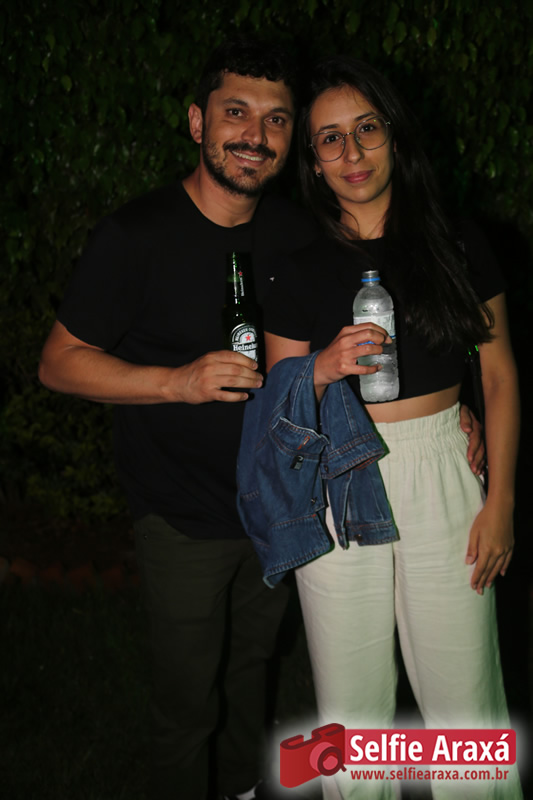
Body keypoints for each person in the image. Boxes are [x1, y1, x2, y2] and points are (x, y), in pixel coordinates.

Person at [38, 37, 319, 800]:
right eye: (236, 113)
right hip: (182, 513)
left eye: (275, 119)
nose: (254, 135)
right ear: (197, 122)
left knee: (252, 675)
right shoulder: (136, 236)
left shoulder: (296, 235)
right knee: (187, 703)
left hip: (275, 508)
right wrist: (176, 382)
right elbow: (59, 362)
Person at [262, 56, 522, 799]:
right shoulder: (296, 265)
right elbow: (279, 405)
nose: (351, 152)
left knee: (465, 707)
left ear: (395, 138)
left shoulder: (457, 243)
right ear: (313, 162)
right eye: (329, 139)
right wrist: (321, 366)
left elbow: (498, 377)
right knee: (351, 714)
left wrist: (501, 502)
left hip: (441, 468)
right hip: (335, 480)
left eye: (366, 129)